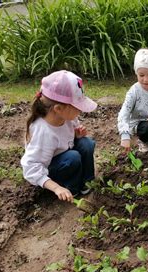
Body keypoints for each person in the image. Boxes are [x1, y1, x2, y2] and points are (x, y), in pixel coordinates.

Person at [20, 70, 97, 203]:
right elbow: (31, 167)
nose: (80, 110)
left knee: (87, 143)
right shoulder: (43, 132)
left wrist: (77, 135)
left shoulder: (68, 118)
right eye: (77, 107)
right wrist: (56, 188)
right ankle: (72, 189)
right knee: (73, 157)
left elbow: (67, 137)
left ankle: (88, 183)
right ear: (58, 109)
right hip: (51, 167)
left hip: (66, 155)